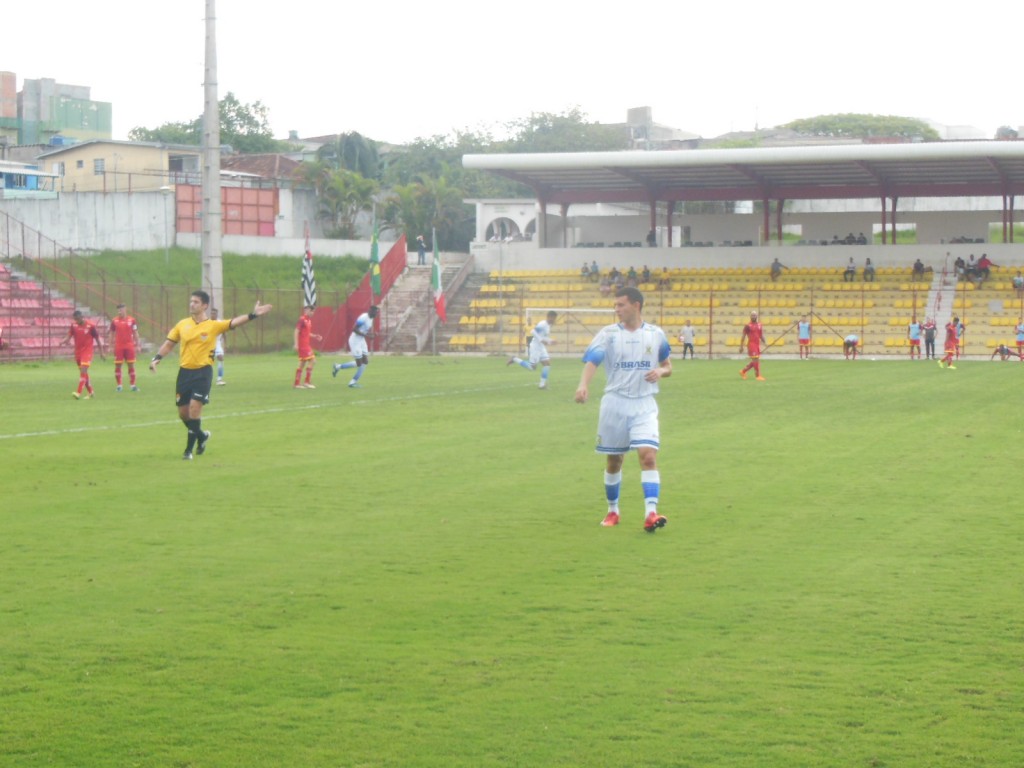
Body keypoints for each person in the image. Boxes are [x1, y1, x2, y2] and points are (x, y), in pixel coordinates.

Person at [574, 286, 671, 533]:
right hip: (615, 403)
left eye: (621, 305)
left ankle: (651, 513)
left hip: (644, 403)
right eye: (615, 305)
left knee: (648, 456)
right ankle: (613, 510)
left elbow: (667, 365)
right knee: (614, 460)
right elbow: (592, 361)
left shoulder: (655, 334)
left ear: (636, 305)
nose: (616, 309)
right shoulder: (608, 334)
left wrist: (660, 371)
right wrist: (583, 385)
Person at [148, 290, 272, 459]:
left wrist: (253, 315)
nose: (192, 304)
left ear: (204, 305)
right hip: (184, 373)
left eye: (196, 302)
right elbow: (169, 344)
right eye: (191, 301)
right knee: (183, 413)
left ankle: (188, 451)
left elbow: (234, 322)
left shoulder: (213, 325)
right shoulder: (182, 324)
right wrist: (157, 358)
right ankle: (202, 436)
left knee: (194, 409)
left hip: (203, 373)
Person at [60, 309, 104, 399]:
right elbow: (69, 336)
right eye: (75, 319)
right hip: (78, 352)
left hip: (87, 351)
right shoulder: (74, 325)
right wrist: (63, 341)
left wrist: (101, 352)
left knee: (83, 370)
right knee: (84, 373)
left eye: (77, 319)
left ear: (81, 317)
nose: (76, 321)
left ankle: (78, 392)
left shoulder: (91, 326)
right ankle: (91, 392)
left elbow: (97, 339)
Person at [332, 305, 379, 388]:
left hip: (361, 340)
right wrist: (367, 336)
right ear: (371, 311)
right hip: (355, 341)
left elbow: (363, 331)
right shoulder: (363, 317)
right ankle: (341, 370)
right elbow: (354, 329)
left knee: (365, 362)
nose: (377, 315)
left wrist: (371, 335)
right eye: (376, 313)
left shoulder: (371, 319)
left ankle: (351, 380)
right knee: (359, 363)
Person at [508, 310, 557, 388]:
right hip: (535, 347)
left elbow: (543, 336)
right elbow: (533, 331)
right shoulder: (543, 324)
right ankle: (514, 359)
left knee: (547, 363)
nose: (554, 320)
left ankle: (542, 385)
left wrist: (550, 341)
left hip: (541, 347)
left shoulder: (548, 326)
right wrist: (541, 340)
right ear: (549, 317)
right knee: (532, 367)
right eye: (553, 318)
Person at [109, 302, 140, 392]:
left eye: (121, 309)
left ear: (125, 309)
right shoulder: (114, 321)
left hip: (129, 346)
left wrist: (137, 344)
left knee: (131, 364)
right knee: (118, 365)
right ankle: (119, 385)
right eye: (118, 310)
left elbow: (135, 332)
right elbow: (111, 333)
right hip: (119, 346)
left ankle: (132, 385)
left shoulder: (132, 320)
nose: (120, 311)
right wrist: (110, 345)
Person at [294, 305, 323, 389]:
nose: (313, 313)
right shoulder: (302, 320)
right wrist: (296, 344)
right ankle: (306, 382)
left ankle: (297, 383)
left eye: (313, 311)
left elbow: (306, 333)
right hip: (303, 345)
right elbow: (296, 331)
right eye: (312, 311)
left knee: (302, 363)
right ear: (307, 310)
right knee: (313, 360)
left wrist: (315, 336)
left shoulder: (308, 321)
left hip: (306, 344)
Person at [739, 311, 766, 381]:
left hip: (757, 344)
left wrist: (764, 341)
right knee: (756, 360)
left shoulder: (760, 325)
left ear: (757, 316)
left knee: (755, 360)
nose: (753, 317)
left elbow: (761, 335)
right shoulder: (747, 326)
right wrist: (741, 346)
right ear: (750, 316)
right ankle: (758, 376)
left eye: (754, 315)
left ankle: (743, 371)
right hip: (751, 344)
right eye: (752, 315)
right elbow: (743, 336)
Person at [211, 308, 226, 385]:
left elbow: (224, 332)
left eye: (214, 313)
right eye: (212, 313)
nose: (213, 315)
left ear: (217, 314)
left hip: (217, 343)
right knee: (207, 362)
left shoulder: (220, 323)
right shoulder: (207, 322)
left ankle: (219, 379)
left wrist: (225, 344)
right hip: (208, 343)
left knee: (220, 357)